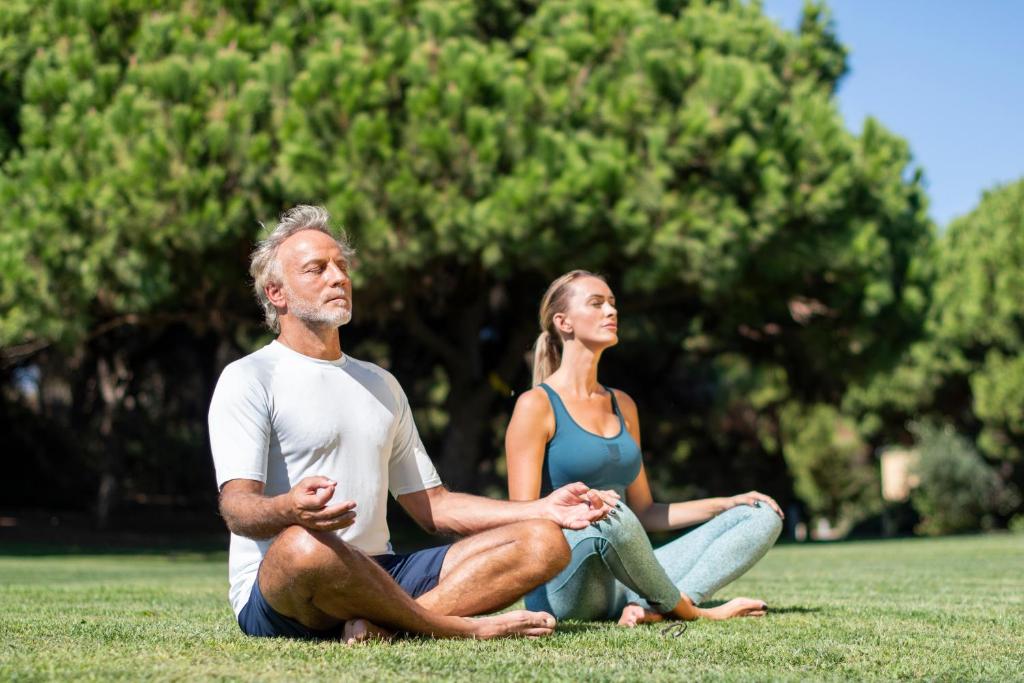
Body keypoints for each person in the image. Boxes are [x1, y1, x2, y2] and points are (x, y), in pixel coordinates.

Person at [208, 207, 614, 643]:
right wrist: (290, 508)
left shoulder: (380, 383)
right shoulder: (250, 377)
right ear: (277, 293)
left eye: (342, 267)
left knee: (544, 541)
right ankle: (456, 628)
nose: (338, 278)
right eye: (316, 269)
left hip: (379, 571)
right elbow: (237, 509)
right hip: (289, 583)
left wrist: (542, 508)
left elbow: (434, 506)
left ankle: (388, 628)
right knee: (302, 546)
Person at [505, 270, 784, 626]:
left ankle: (655, 606)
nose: (611, 311)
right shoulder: (536, 405)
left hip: (626, 575)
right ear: (564, 322)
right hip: (565, 588)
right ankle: (688, 610)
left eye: (612, 303)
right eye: (596, 303)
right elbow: (521, 521)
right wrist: (587, 510)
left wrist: (725, 504)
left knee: (761, 513)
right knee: (609, 510)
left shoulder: (623, 405)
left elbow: (646, 511)